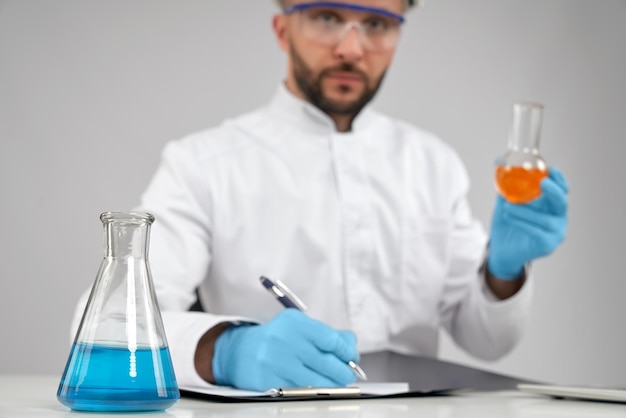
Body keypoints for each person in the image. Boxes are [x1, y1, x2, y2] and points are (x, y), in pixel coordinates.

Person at [73, 0, 569, 392]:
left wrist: (503, 273)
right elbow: (106, 326)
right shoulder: (201, 164)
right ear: (282, 29)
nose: (352, 48)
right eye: (328, 17)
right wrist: (227, 351)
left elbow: (487, 340)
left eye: (377, 22)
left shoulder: (433, 164)